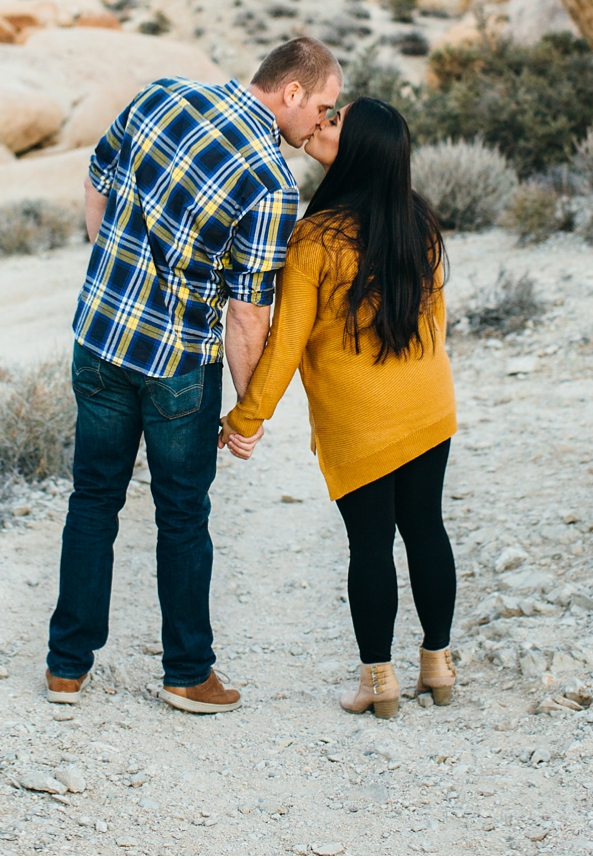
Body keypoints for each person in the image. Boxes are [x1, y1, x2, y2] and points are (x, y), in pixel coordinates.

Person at [47, 37, 341, 715]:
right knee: (182, 516)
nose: (320, 124)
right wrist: (250, 408)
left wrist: (107, 267)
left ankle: (66, 666)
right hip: (177, 365)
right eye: (321, 107)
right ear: (290, 92)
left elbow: (96, 180)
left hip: (99, 339)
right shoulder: (271, 182)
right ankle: (186, 674)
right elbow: (246, 316)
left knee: (92, 500)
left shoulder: (163, 94)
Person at [221, 96, 459, 720]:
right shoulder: (421, 222)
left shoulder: (316, 238)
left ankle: (378, 681)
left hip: (360, 418)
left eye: (336, 122)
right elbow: (435, 324)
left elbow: (286, 343)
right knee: (427, 529)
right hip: (429, 404)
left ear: (360, 149)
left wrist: (247, 417)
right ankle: (437, 664)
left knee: (371, 544)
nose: (322, 125)